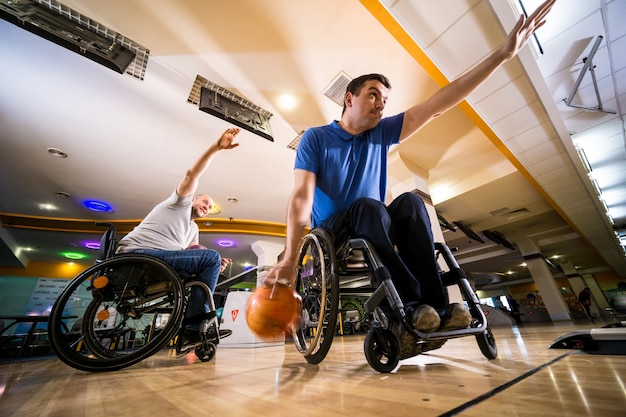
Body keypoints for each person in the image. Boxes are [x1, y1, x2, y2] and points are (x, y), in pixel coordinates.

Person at [266, 0, 556, 358]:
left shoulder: (381, 132)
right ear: (349, 98)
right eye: (373, 95)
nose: (380, 104)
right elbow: (300, 198)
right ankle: (408, 304)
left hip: (372, 220)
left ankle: (434, 309)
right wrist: (291, 257)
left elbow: (437, 104)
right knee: (369, 207)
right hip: (333, 231)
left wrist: (502, 55)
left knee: (411, 202)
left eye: (385, 99)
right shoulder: (316, 138)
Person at [116, 127, 241, 345]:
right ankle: (194, 325)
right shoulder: (179, 203)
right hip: (137, 254)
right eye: (204, 202)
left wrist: (217, 265)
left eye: (210, 207)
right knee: (210, 257)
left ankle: (191, 325)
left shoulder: (193, 229)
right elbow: (192, 174)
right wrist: (216, 148)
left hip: (159, 261)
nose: (207, 207)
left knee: (208, 261)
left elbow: (195, 255)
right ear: (193, 199)